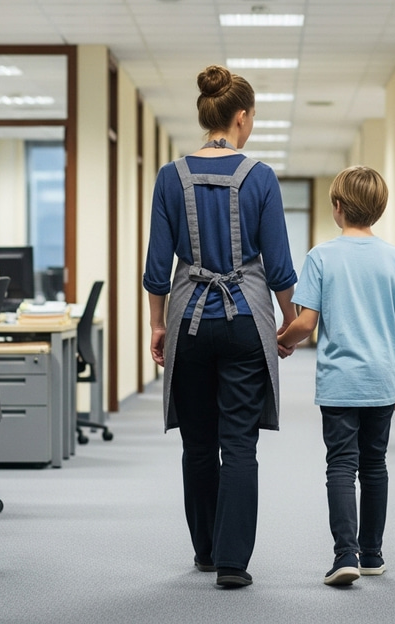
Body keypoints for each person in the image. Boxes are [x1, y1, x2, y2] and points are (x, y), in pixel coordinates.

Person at [143, 64, 298, 589]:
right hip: (244, 324)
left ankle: (205, 551)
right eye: (251, 117)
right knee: (240, 445)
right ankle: (233, 564)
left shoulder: (170, 176)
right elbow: (278, 266)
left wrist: (156, 326)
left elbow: (157, 265)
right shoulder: (260, 176)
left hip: (187, 319)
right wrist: (291, 323)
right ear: (240, 117)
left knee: (197, 444)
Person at [277, 166, 395, 586]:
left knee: (341, 465)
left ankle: (346, 555)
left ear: (337, 208)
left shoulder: (321, 256)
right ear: (379, 209)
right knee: (375, 465)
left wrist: (279, 339)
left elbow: (306, 324)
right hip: (380, 380)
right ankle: (373, 554)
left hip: (340, 381)